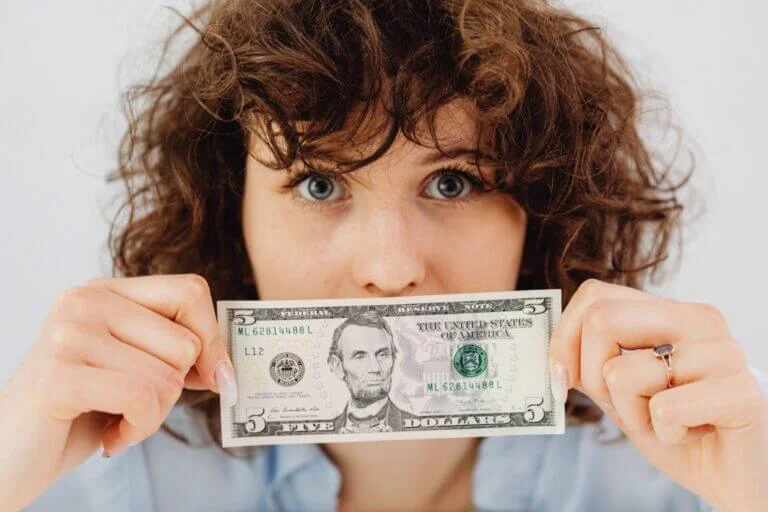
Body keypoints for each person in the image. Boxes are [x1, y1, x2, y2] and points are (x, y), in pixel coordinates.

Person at [0, 0, 766, 510]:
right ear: (230, 213)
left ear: (543, 211)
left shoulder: (670, 480)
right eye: (321, 184)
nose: (390, 268)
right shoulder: (116, 474)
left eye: (454, 180)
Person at [327, 311, 414, 433]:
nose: (375, 368)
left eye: (382, 355)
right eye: (360, 357)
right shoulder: (328, 432)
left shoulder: (417, 426)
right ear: (338, 367)